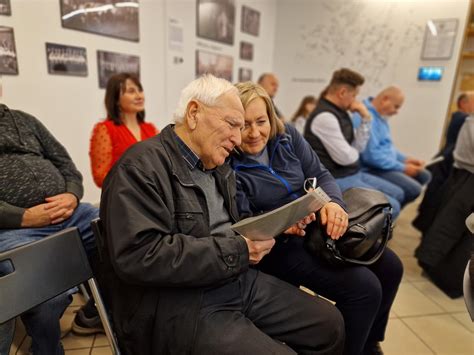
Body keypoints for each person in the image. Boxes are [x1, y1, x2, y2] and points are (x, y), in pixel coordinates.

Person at [97, 75, 345, 354]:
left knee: (329, 325)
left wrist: (276, 225)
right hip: (178, 304)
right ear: (194, 113)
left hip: (232, 279)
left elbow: (236, 226)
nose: (239, 138)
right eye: (232, 125)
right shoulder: (140, 167)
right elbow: (139, 256)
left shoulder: (218, 166)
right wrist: (237, 250)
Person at [231, 82, 403, 355]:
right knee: (365, 289)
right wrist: (282, 225)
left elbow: (321, 175)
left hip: (313, 226)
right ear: (230, 124)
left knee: (392, 266)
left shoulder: (287, 136)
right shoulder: (228, 162)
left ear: (271, 117)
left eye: (261, 121)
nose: (254, 133)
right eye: (243, 125)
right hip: (276, 246)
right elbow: (242, 219)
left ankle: (369, 341)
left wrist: (333, 203)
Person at [0, 103, 99, 354]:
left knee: (120, 229)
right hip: (14, 230)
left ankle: (99, 315)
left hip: (71, 214)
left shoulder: (26, 120)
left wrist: (72, 195)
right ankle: (47, 349)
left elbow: (66, 165)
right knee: (44, 287)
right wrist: (21, 217)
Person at [304, 68, 404, 219]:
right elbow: (346, 157)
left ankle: (378, 233)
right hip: (334, 178)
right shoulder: (325, 117)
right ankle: (369, 239)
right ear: (343, 92)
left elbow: (358, 148)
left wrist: (366, 117)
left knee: (398, 193)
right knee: (392, 207)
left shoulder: (342, 112)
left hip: (351, 172)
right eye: (354, 95)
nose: (356, 101)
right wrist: (354, 151)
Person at [415, 116, 474, 298]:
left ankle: (451, 276)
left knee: (463, 235)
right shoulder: (470, 121)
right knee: (451, 226)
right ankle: (435, 269)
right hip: (467, 178)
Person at [358, 86, 431, 206]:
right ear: (385, 99)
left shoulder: (380, 117)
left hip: (381, 164)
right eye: (396, 106)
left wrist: (405, 159)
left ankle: (391, 213)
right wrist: (403, 168)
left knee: (424, 175)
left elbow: (387, 147)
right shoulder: (366, 116)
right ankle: (390, 214)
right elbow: (371, 157)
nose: (396, 111)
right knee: (413, 189)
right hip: (371, 167)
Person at [89, 73, 159, 188]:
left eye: (140, 90)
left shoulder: (151, 129)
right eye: (131, 91)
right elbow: (101, 177)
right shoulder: (105, 129)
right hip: (124, 198)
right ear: (116, 99)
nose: (139, 96)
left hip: (153, 194)